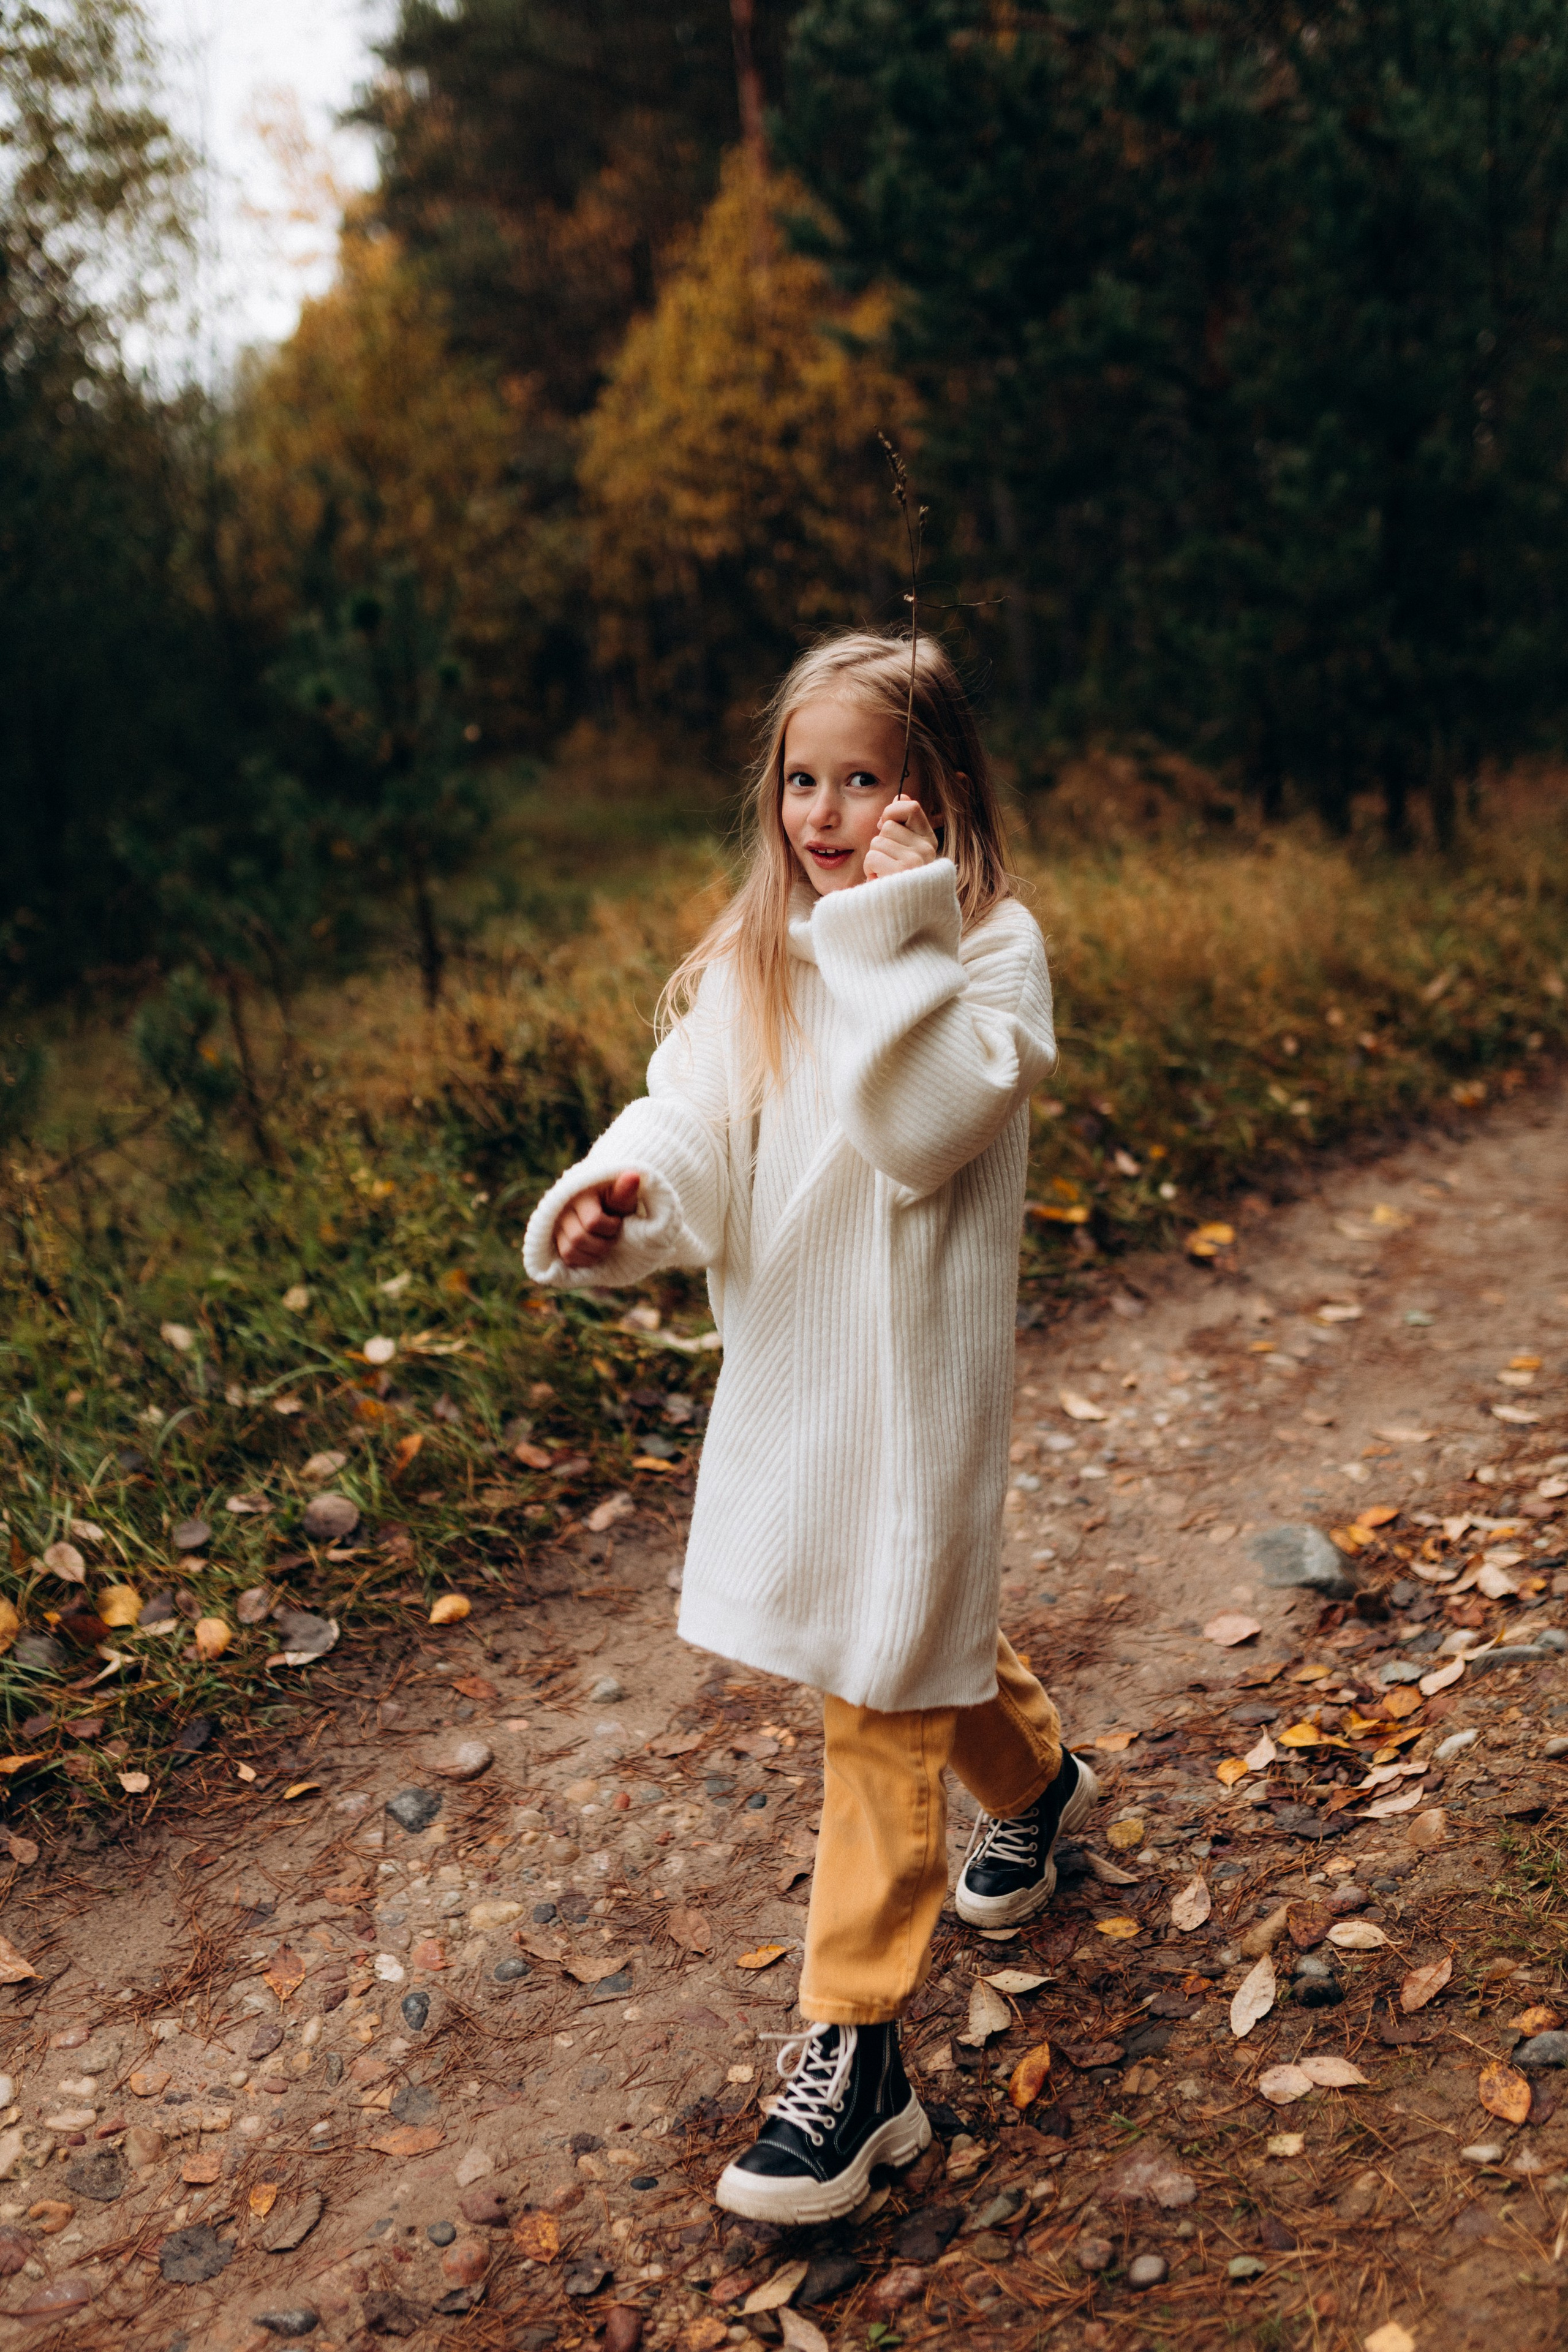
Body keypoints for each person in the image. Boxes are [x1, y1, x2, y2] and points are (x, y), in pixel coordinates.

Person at [523, 630, 1098, 2226]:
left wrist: (891, 931)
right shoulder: (746, 967)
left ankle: (856, 2061)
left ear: (943, 796)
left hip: (918, 1408)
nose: (829, 814)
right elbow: (693, 1129)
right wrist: (620, 1202)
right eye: (803, 780)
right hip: (803, 1387)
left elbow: (920, 1131)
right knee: (910, 1651)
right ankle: (1042, 1786)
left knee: (881, 1681)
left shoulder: (987, 955)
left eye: (869, 781)